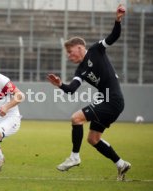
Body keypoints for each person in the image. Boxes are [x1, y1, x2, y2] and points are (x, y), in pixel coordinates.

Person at [47, 4, 131, 181]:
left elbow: (113, 36)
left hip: (112, 100)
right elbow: (71, 90)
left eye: (70, 52)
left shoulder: (95, 50)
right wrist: (60, 84)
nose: (69, 56)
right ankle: (121, 164)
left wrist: (118, 20)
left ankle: (74, 157)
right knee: (93, 139)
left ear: (79, 47)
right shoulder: (81, 70)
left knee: (76, 118)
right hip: (108, 101)